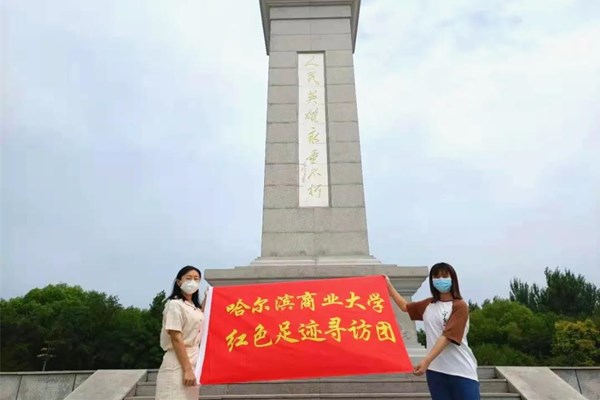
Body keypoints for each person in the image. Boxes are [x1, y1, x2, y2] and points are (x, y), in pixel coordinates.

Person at [386, 262, 480, 400]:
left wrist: (426, 360)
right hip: (436, 370)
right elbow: (405, 307)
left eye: (444, 276)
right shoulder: (428, 305)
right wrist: (389, 286)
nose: (440, 280)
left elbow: (447, 336)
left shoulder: (459, 306)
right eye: (436, 277)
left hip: (461, 370)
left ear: (453, 279)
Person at [155, 266, 205, 400]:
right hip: (178, 362)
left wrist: (209, 296)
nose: (192, 282)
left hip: (194, 359)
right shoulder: (174, 304)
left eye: (196, 279)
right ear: (179, 282)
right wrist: (187, 369)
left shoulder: (194, 307)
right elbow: (176, 337)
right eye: (188, 278)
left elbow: (200, 317)